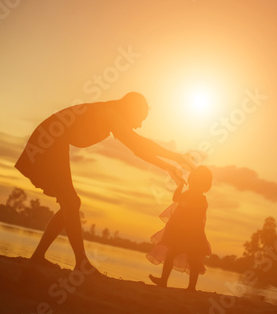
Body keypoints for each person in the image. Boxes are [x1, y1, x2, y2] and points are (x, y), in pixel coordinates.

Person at [15, 92, 191, 272]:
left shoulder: (112, 115)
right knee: (71, 202)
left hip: (54, 139)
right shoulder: (109, 113)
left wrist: (169, 166)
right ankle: (81, 263)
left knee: (69, 204)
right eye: (140, 119)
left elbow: (137, 147)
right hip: (50, 138)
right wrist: (175, 157)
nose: (139, 125)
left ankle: (39, 257)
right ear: (130, 110)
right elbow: (137, 144)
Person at [147, 166, 212, 292]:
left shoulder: (201, 199)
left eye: (197, 182)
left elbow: (198, 219)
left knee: (193, 260)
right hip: (181, 233)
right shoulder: (187, 194)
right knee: (171, 255)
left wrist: (197, 235)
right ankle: (164, 280)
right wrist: (180, 186)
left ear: (203, 185)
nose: (193, 184)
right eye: (192, 181)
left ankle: (191, 287)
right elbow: (176, 198)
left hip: (192, 234)